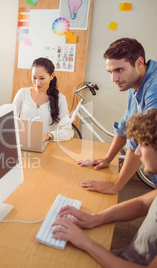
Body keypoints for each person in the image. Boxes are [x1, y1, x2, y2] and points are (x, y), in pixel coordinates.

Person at [52, 109, 157, 267]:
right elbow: (142, 204)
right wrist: (96, 217)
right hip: (124, 256)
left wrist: (86, 243)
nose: (136, 152)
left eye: (143, 144)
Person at [78, 38, 157, 194]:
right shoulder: (135, 82)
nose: (114, 79)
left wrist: (116, 186)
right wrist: (107, 159)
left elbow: (141, 139)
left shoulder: (154, 88)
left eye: (119, 70)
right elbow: (125, 125)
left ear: (139, 62)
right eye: (110, 72)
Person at [12, 57, 74, 142]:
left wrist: (47, 136)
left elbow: (68, 132)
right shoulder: (22, 93)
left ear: (52, 76)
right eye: (34, 78)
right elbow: (9, 120)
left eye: (42, 78)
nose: (37, 83)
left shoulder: (60, 99)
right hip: (22, 144)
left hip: (46, 147)